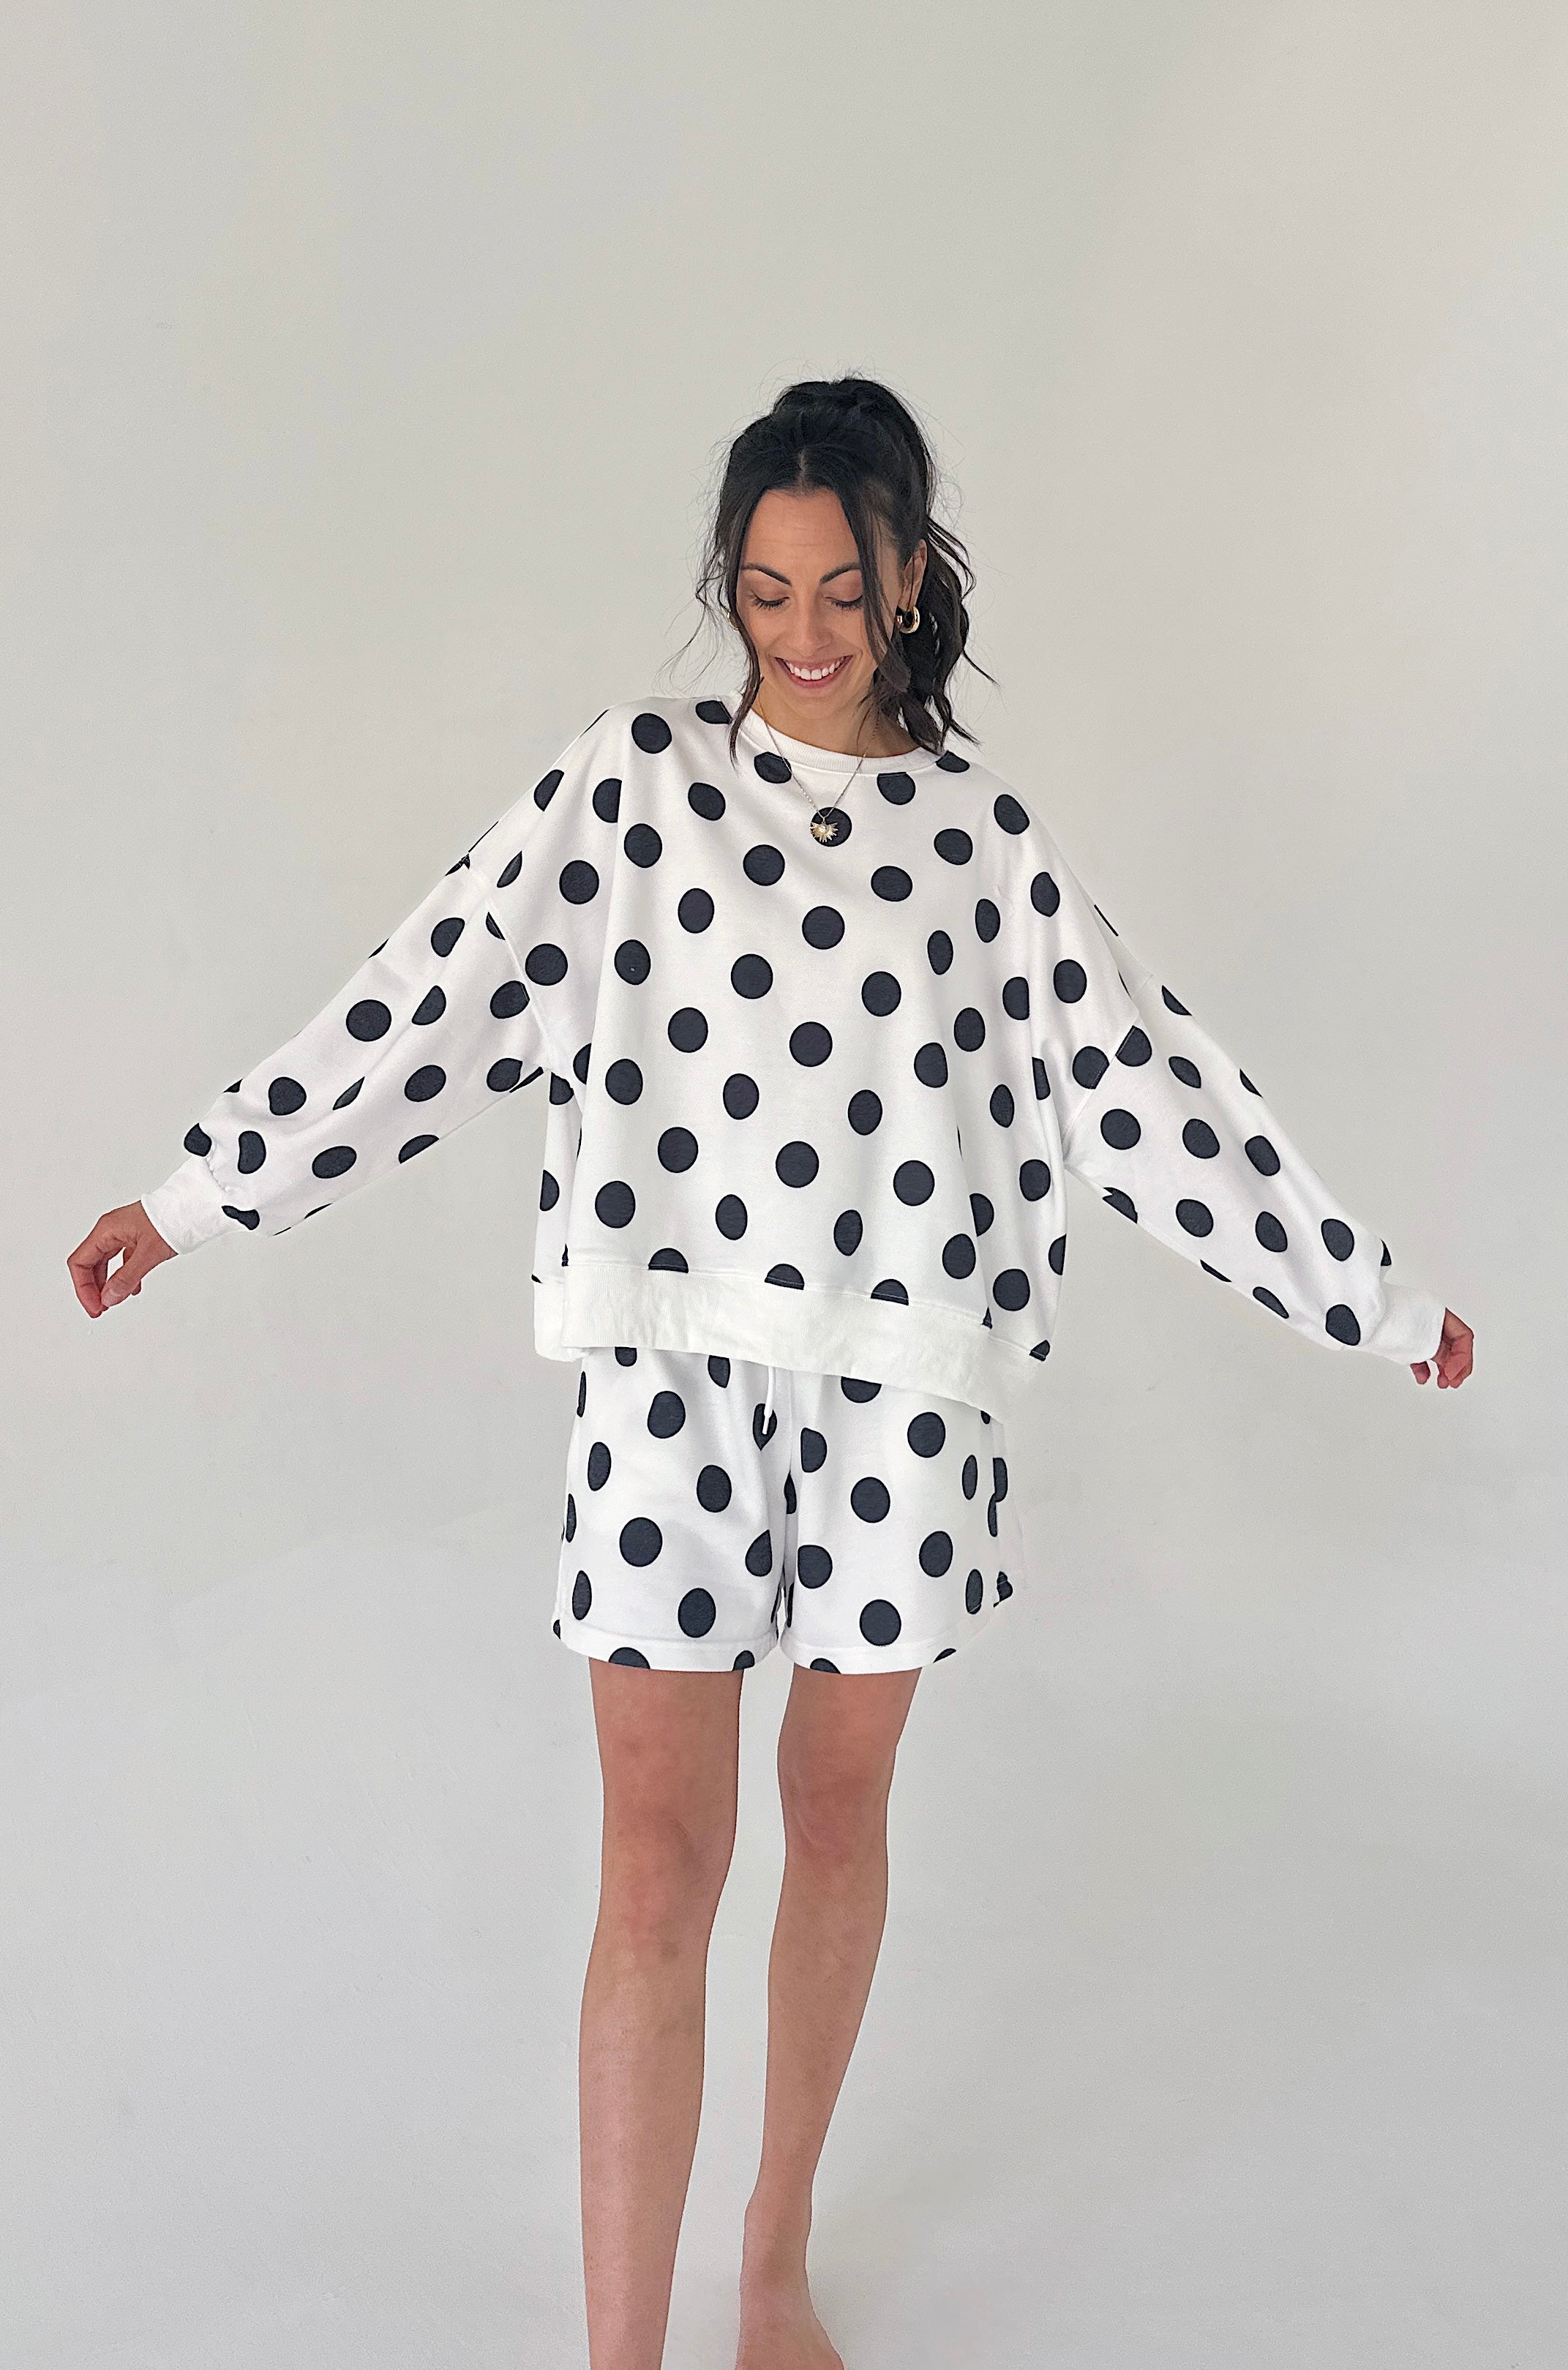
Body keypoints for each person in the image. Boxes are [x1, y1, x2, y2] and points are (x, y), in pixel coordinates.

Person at [68, 375, 1474, 2370]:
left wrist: (1375, 1299)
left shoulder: (983, 845)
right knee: (655, 1869)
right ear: (725, 585)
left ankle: (774, 2259)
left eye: (838, 586)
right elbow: (424, 998)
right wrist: (193, 1196)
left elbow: (1147, 1089)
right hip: (666, 1379)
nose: (802, 632)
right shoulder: (628, 788)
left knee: (834, 1816)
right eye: (762, 590)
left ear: (909, 575)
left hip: (904, 1395)